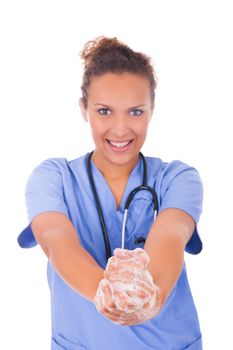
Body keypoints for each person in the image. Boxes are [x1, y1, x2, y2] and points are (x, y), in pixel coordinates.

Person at [18, 36, 204, 349]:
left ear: (151, 111)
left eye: (135, 112)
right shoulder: (52, 178)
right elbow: (57, 241)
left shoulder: (178, 179)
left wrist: (151, 297)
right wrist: (106, 294)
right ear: (83, 109)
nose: (120, 130)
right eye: (104, 111)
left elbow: (171, 235)